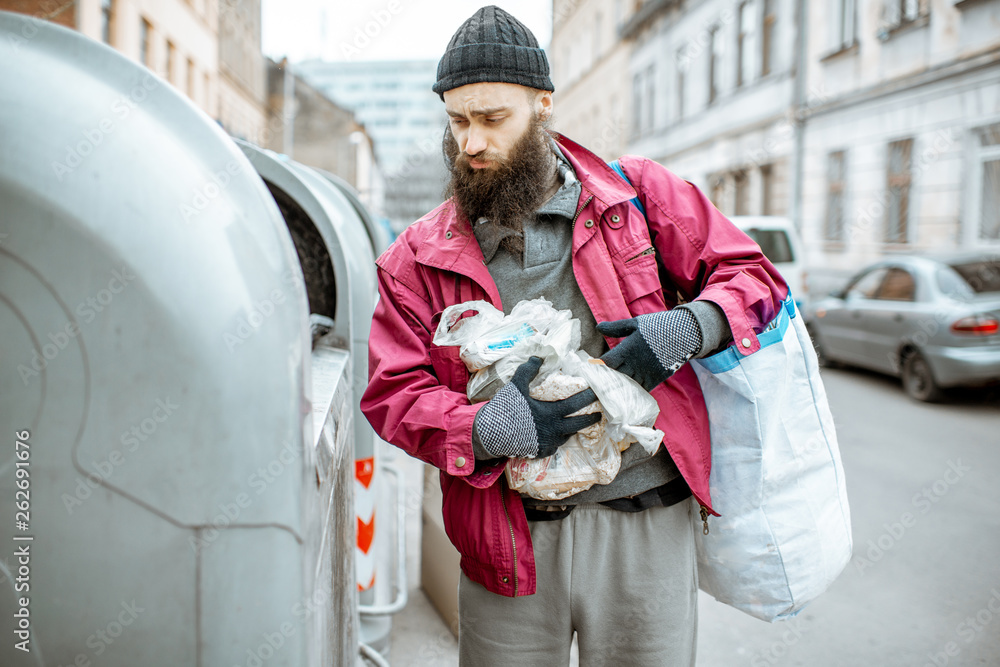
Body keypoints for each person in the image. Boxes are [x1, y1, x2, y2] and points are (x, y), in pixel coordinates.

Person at [360, 5, 787, 665]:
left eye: (493, 119)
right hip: (508, 541)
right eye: (458, 120)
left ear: (542, 106)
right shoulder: (415, 257)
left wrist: (687, 326)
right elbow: (392, 393)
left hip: (645, 527)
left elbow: (757, 282)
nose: (472, 142)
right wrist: (486, 429)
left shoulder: (638, 197)